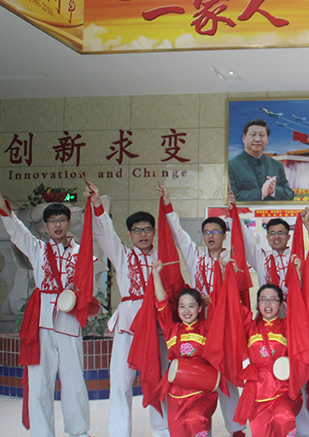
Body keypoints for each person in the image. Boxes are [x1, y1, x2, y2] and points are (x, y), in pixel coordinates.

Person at [0, 176, 91, 437]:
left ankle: (78, 431)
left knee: (74, 377)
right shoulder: (37, 249)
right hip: (41, 321)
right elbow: (15, 228)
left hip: (69, 319)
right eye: (52, 221)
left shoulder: (81, 252)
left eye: (62, 220)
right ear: (45, 226)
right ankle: (42, 433)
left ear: (69, 223)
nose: (57, 224)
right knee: (39, 378)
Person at [158, 186, 258, 437]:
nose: (211, 236)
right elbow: (179, 235)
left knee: (225, 374)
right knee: (199, 375)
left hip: (222, 326)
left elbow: (236, 288)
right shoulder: (196, 258)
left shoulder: (231, 259)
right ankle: (201, 426)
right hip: (198, 326)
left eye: (216, 232)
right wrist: (168, 205)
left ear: (224, 235)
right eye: (206, 232)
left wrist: (233, 211)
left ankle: (236, 429)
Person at [85, 183, 170, 437]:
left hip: (157, 325)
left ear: (154, 232)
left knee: (159, 378)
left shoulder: (164, 258)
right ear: (130, 234)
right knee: (121, 381)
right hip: (128, 325)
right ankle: (119, 432)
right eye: (137, 230)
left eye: (147, 229)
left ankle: (162, 429)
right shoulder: (122, 255)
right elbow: (106, 235)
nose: (142, 234)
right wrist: (98, 204)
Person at [152, 262, 218, 437]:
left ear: (199, 308)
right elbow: (161, 303)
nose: (186, 311)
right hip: (176, 394)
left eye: (191, 306)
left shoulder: (206, 328)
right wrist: (156, 275)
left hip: (202, 392)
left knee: (195, 419)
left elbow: (221, 305)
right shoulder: (172, 329)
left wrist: (224, 273)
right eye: (182, 306)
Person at [235, 282, 299, 436]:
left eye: (273, 300)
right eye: (263, 299)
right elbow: (233, 307)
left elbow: (302, 312)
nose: (268, 304)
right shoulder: (250, 328)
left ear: (280, 304)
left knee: (283, 417)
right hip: (257, 391)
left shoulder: (287, 326)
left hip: (282, 388)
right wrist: (227, 277)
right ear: (258, 304)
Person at [229, 118, 295, 201]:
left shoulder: (277, 165)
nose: (257, 139)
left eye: (261, 135)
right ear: (243, 138)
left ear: (267, 139)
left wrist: (274, 191)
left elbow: (289, 195)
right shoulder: (231, 166)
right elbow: (230, 198)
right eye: (253, 134)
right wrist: (261, 193)